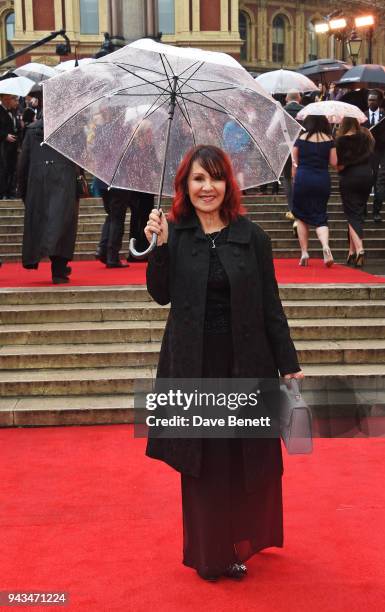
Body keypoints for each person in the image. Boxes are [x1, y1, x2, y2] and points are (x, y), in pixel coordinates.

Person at [144, 145, 303, 582]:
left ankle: (239, 541)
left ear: (227, 184)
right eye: (198, 179)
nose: (207, 187)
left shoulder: (253, 237)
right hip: (194, 366)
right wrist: (157, 243)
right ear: (185, 186)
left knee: (242, 457)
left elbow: (271, 305)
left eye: (215, 178)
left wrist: (288, 362)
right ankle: (209, 552)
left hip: (246, 363)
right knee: (205, 461)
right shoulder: (174, 233)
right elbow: (160, 294)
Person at [18, 118, 79, 284]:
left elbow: (23, 162)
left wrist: (23, 190)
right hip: (64, 179)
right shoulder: (70, 128)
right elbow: (79, 156)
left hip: (38, 181)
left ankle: (38, 259)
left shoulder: (31, 130)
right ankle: (59, 269)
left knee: (42, 221)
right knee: (63, 223)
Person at [291, 115, 337, 266]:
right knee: (320, 215)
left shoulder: (300, 139)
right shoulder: (329, 139)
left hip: (303, 178)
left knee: (301, 217)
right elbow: (334, 162)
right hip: (322, 179)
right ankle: (325, 246)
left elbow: (294, 164)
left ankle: (304, 252)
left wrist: (294, 180)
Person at [335, 118, 374, 267]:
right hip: (367, 176)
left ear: (343, 125)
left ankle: (359, 249)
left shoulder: (340, 141)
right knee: (357, 212)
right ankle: (351, 252)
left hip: (350, 178)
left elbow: (339, 166)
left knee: (352, 213)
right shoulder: (366, 136)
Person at [363, 90, 385, 222]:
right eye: (369, 100)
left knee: (380, 183)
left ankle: (376, 212)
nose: (371, 102)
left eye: (374, 100)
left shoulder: (384, 116)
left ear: (380, 101)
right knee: (366, 182)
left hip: (381, 153)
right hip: (366, 155)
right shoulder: (363, 117)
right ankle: (363, 212)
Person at [283, 90, 304, 221]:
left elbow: (269, 133)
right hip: (303, 149)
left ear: (286, 98)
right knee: (301, 176)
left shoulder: (280, 111)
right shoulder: (305, 111)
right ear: (299, 98)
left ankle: (292, 208)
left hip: (285, 148)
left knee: (287, 178)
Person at [0, 94, 20, 199]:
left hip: (12, 148)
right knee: (3, 169)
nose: (12, 101)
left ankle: (9, 192)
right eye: (11, 98)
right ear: (3, 99)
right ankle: (2, 193)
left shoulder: (14, 112)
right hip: (3, 147)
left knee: (11, 169)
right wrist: (4, 136)